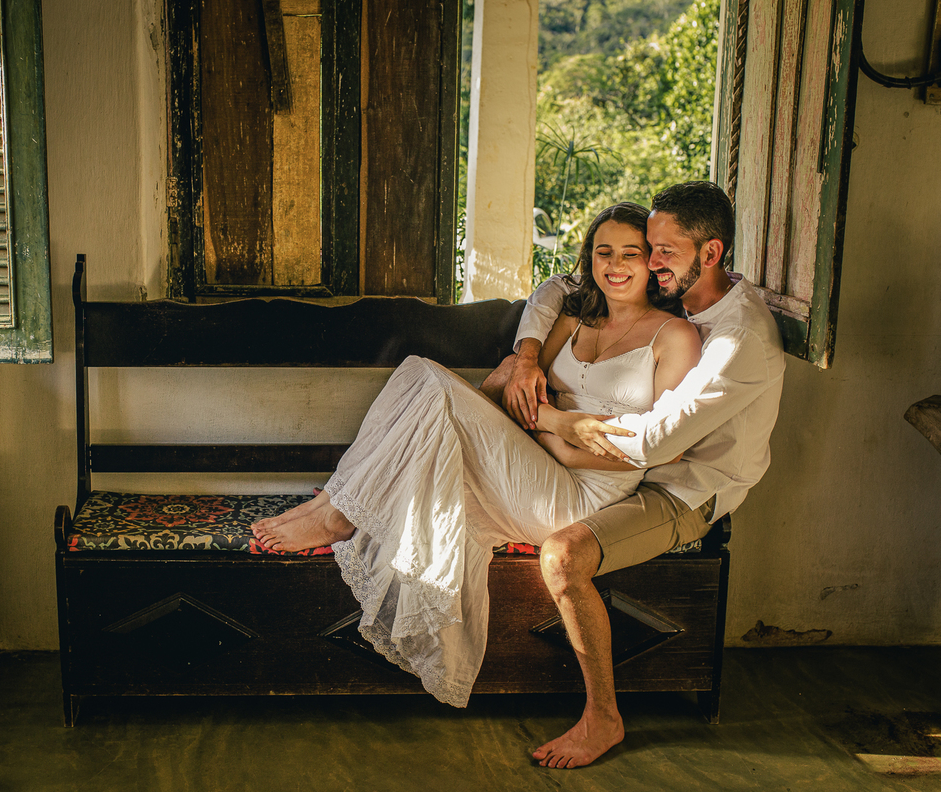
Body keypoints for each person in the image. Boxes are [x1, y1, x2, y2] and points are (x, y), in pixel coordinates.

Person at [251, 202, 702, 709]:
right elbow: (516, 379)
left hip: (585, 498)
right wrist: (531, 384)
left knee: (431, 384)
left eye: (631, 254)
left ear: (653, 264)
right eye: (604, 253)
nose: (616, 266)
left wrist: (556, 436)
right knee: (419, 373)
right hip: (539, 461)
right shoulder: (575, 319)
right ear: (589, 259)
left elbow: (656, 451)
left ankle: (337, 512)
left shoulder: (675, 337)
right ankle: (337, 503)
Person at [481, 181, 785, 769]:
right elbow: (556, 288)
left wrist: (547, 425)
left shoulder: (737, 340)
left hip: (684, 489)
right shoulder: (683, 298)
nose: (649, 261)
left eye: (662, 251)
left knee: (562, 557)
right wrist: (523, 360)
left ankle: (603, 718)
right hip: (617, 467)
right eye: (650, 248)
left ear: (712, 253)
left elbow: (654, 447)